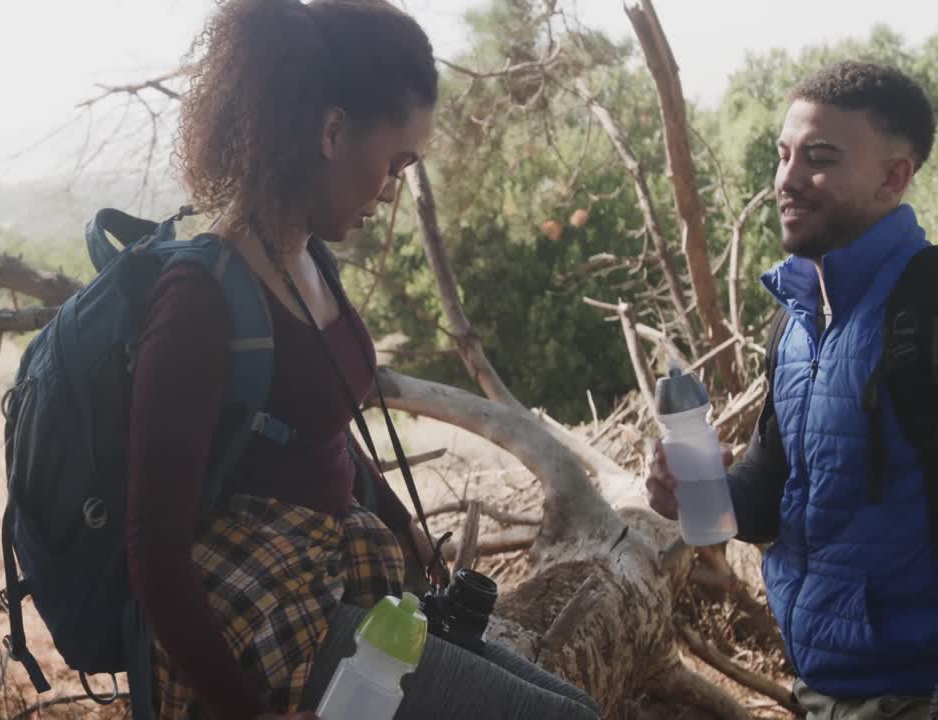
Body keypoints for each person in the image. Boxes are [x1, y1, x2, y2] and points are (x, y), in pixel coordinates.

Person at [124, 1, 599, 719]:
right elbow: (153, 551)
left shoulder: (308, 259)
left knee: (571, 702)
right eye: (395, 163)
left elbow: (314, 431)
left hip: (339, 583)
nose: (391, 189)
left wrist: (400, 521)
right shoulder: (200, 299)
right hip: (270, 630)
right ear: (332, 131)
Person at [646, 60, 938, 719]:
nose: (788, 179)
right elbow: (768, 494)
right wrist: (699, 490)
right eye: (784, 155)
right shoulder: (798, 321)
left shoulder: (926, 309)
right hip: (819, 690)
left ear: (893, 177)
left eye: (820, 158)